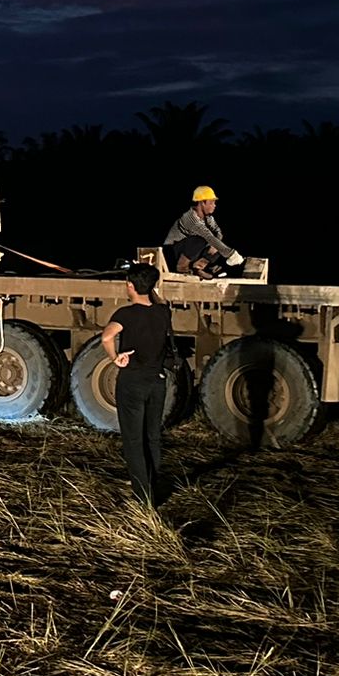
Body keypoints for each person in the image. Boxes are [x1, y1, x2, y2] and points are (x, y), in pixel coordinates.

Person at [99, 262, 173, 506]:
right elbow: (157, 300)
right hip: (156, 382)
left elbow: (107, 336)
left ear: (130, 285)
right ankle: (152, 483)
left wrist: (115, 359)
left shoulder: (125, 315)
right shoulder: (164, 312)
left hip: (132, 382)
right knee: (152, 435)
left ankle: (143, 497)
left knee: (133, 439)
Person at [163, 187, 245, 278]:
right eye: (211, 203)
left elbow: (218, 232)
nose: (214, 205)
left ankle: (198, 268)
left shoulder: (209, 218)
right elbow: (207, 235)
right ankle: (181, 267)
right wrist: (231, 254)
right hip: (172, 251)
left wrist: (215, 246)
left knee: (217, 244)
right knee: (202, 239)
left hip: (189, 250)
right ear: (202, 203)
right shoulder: (190, 218)